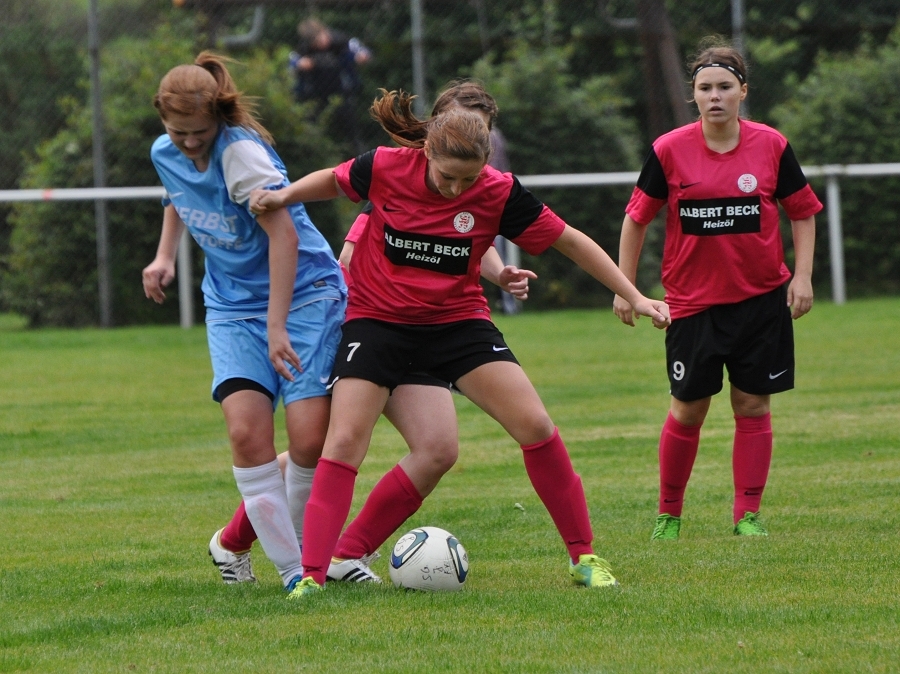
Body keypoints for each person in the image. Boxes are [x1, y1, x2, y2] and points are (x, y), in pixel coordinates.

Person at [249, 88, 671, 597]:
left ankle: (583, 557)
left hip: (456, 323)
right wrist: (283, 197)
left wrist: (634, 295)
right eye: (448, 176)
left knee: (535, 425)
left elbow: (570, 240)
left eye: (468, 179)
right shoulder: (385, 166)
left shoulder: (497, 191)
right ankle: (312, 576)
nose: (456, 190)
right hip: (377, 323)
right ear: (427, 150)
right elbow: (333, 181)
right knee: (343, 443)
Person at [209, 81, 537, 586]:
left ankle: (345, 553)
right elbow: (354, 250)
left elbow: (471, 241)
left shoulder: (470, 184)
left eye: (481, 131)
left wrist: (498, 274)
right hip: (371, 326)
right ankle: (238, 540)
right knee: (326, 445)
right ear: (433, 130)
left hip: (430, 331)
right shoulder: (394, 179)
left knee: (435, 449)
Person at [143, 51, 347, 596]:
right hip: (232, 306)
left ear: (217, 117)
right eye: (178, 132)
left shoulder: (241, 156)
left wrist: (277, 327)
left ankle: (310, 556)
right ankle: (296, 574)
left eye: (199, 132)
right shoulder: (164, 151)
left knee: (309, 439)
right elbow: (177, 196)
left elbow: (285, 237)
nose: (190, 142)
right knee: (245, 433)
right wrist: (164, 257)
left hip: (305, 296)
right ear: (163, 119)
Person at [612, 37, 821, 540]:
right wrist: (624, 287)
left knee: (753, 405)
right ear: (694, 94)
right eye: (705, 88)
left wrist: (803, 276)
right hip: (692, 304)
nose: (715, 96)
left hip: (761, 300)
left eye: (725, 87)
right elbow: (636, 218)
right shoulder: (669, 149)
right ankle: (669, 515)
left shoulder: (771, 145)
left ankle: (747, 515)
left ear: (742, 91)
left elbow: (803, 211)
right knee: (688, 410)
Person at [290, 18, 371, 154]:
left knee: (348, 120)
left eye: (321, 39)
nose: (321, 43)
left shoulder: (341, 41)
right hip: (316, 91)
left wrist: (362, 56)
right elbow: (292, 60)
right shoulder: (305, 48)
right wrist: (300, 64)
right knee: (312, 120)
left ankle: (357, 149)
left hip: (340, 89)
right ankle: (313, 151)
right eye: (316, 42)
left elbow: (361, 51)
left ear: (325, 31)